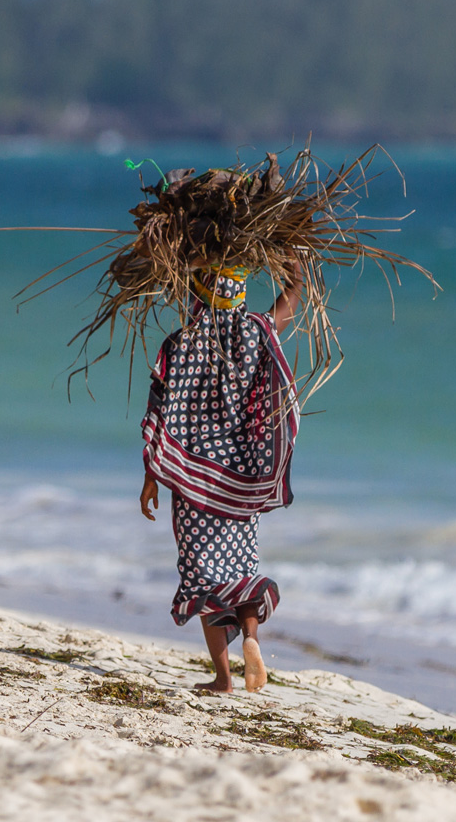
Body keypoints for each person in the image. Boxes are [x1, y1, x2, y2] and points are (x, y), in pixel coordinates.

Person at [139, 260, 302, 692]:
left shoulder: (181, 343)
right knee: (239, 570)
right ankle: (250, 636)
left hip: (194, 484)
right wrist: (296, 275)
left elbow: (157, 411)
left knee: (203, 579)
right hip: (241, 484)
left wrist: (151, 476)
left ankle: (223, 677)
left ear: (196, 293)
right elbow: (289, 305)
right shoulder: (255, 331)